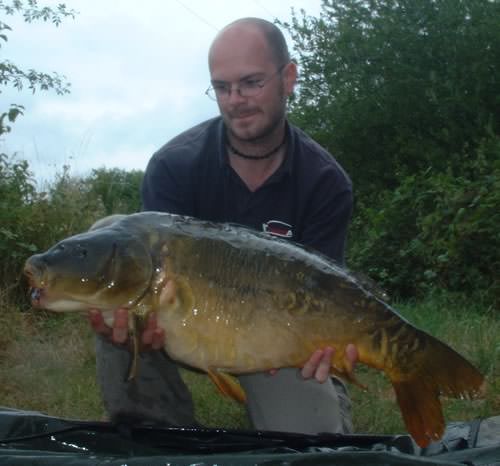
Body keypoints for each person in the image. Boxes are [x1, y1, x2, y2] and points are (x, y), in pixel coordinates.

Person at [88, 17, 357, 434]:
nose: (236, 100)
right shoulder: (173, 166)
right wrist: (136, 323)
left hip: (274, 339)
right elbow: (153, 286)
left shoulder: (325, 182)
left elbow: (327, 292)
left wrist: (324, 346)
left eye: (251, 83)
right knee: (114, 240)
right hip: (182, 328)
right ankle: (155, 434)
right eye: (222, 87)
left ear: (288, 78)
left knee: (311, 444)